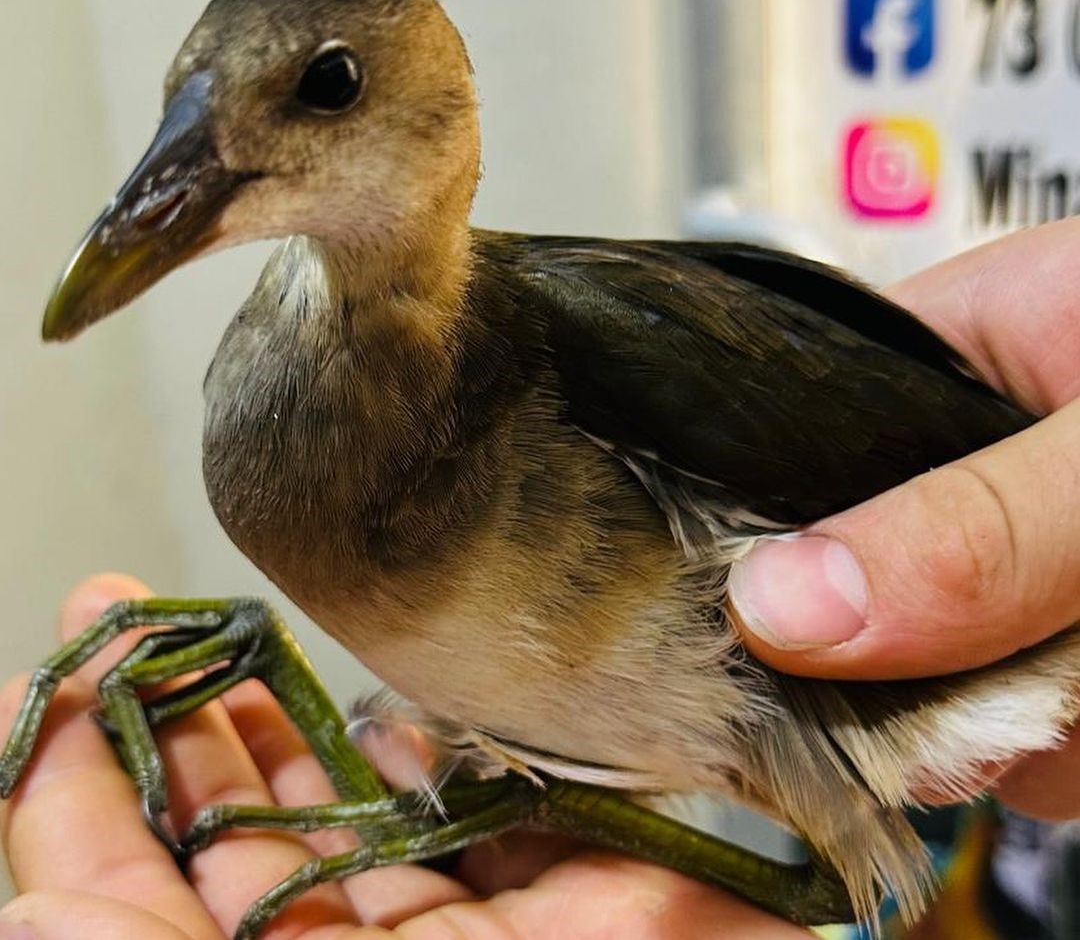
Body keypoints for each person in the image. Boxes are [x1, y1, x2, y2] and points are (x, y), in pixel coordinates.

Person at [2, 219, 1079, 939]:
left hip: (880, 667)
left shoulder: (559, 385)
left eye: (324, 94)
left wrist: (539, 793)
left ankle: (511, 801)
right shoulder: (340, 397)